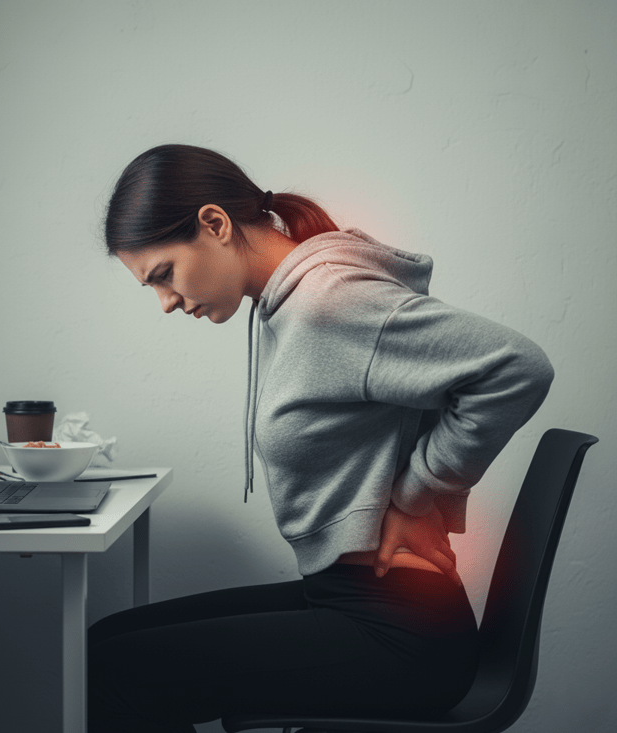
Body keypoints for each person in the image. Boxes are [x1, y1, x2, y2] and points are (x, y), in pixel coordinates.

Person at [88, 144, 555, 732]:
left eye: (164, 274)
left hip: (401, 634)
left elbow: (517, 367)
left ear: (215, 224)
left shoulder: (327, 301)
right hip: (352, 602)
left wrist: (418, 491)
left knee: (110, 672)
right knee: (104, 644)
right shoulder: (288, 304)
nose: (165, 303)